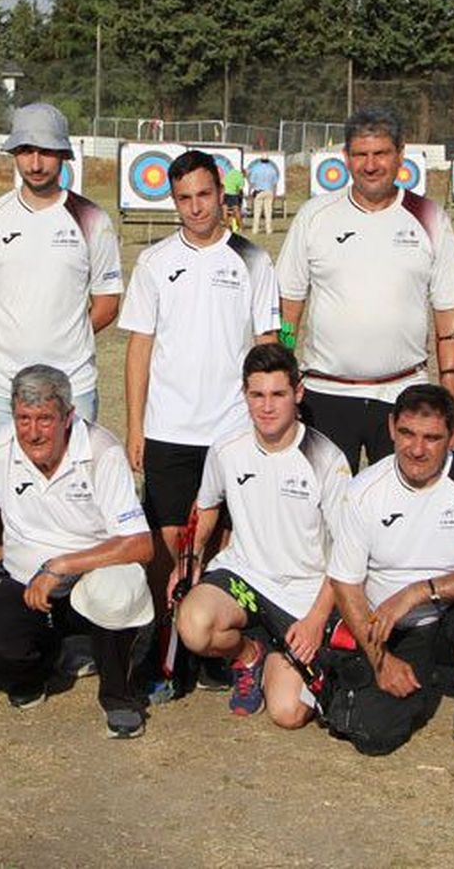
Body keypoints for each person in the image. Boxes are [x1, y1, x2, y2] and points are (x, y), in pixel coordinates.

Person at [0, 365, 155, 738]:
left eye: (45, 419)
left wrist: (62, 565)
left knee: (119, 589)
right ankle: (41, 667)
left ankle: (119, 697)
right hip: (25, 581)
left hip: (90, 577)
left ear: (69, 417)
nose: (32, 431)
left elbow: (140, 544)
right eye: (23, 419)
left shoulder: (101, 450)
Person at [118, 150, 279, 692]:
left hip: (234, 430)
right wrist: (136, 426)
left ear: (221, 194)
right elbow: (138, 349)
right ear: (174, 201)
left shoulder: (253, 259)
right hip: (169, 430)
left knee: (223, 541)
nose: (195, 208)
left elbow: (267, 344)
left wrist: (267, 421)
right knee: (167, 546)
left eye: (204, 195)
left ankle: (212, 640)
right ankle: (167, 643)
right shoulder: (155, 261)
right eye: (184, 198)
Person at [324, 384, 454, 760]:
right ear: (392, 426)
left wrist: (415, 592)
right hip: (388, 627)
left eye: (432, 438)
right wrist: (381, 660)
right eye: (408, 433)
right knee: (373, 736)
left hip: (451, 612)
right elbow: (345, 584)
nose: (416, 449)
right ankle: (421, 675)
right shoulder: (362, 492)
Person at [276, 106, 454, 472]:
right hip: (325, 395)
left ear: (400, 154)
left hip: (403, 395)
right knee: (323, 516)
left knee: (400, 515)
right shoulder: (315, 216)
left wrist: (452, 394)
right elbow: (289, 307)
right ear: (346, 158)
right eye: (360, 155)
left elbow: (450, 316)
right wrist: (284, 376)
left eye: (380, 153)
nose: (370, 165)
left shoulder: (430, 217)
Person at [173, 344, 350, 727]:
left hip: (303, 596)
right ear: (244, 394)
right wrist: (189, 560)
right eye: (257, 395)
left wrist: (317, 619)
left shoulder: (329, 460)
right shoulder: (226, 449)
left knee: (287, 713)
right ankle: (248, 654)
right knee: (193, 625)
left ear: (298, 393)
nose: (266, 407)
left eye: (277, 395)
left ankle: (277, 654)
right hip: (245, 579)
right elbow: (206, 508)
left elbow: (348, 553)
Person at [0, 102, 121, 431]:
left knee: (69, 481)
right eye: (25, 151)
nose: (35, 164)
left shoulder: (94, 219)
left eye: (46, 152)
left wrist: (65, 338)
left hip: (71, 387)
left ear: (64, 154)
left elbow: (107, 303)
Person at [245, 154, 280, 235]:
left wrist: (250, 192)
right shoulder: (272, 169)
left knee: (257, 211)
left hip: (259, 192)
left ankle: (255, 230)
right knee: (268, 212)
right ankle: (268, 230)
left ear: (260, 160)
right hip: (269, 191)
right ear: (268, 160)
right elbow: (275, 184)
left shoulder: (256, 168)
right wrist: (275, 194)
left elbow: (252, 182)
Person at [222, 161, 246, 232]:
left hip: (224, 193)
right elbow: (240, 191)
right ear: (244, 174)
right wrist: (240, 200)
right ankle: (241, 227)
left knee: (224, 211)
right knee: (236, 211)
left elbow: (224, 182)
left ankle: (227, 227)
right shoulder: (241, 178)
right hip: (233, 194)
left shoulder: (231, 172)